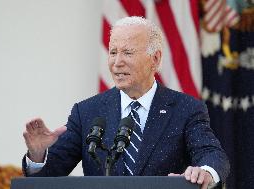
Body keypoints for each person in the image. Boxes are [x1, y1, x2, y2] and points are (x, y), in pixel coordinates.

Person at [22, 16, 230, 189]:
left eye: (128, 52)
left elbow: (211, 154)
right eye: (113, 52)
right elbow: (49, 176)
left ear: (155, 59)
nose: (117, 62)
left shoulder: (186, 109)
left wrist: (206, 172)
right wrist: (38, 155)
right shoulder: (86, 111)